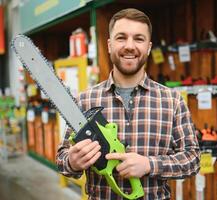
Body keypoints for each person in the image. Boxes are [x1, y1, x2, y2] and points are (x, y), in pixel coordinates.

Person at [56, 8, 200, 200]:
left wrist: (149, 165)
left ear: (148, 47)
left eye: (139, 39)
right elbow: (62, 159)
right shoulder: (85, 100)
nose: (129, 46)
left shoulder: (172, 101)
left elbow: (193, 159)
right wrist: (73, 162)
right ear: (109, 45)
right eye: (121, 38)